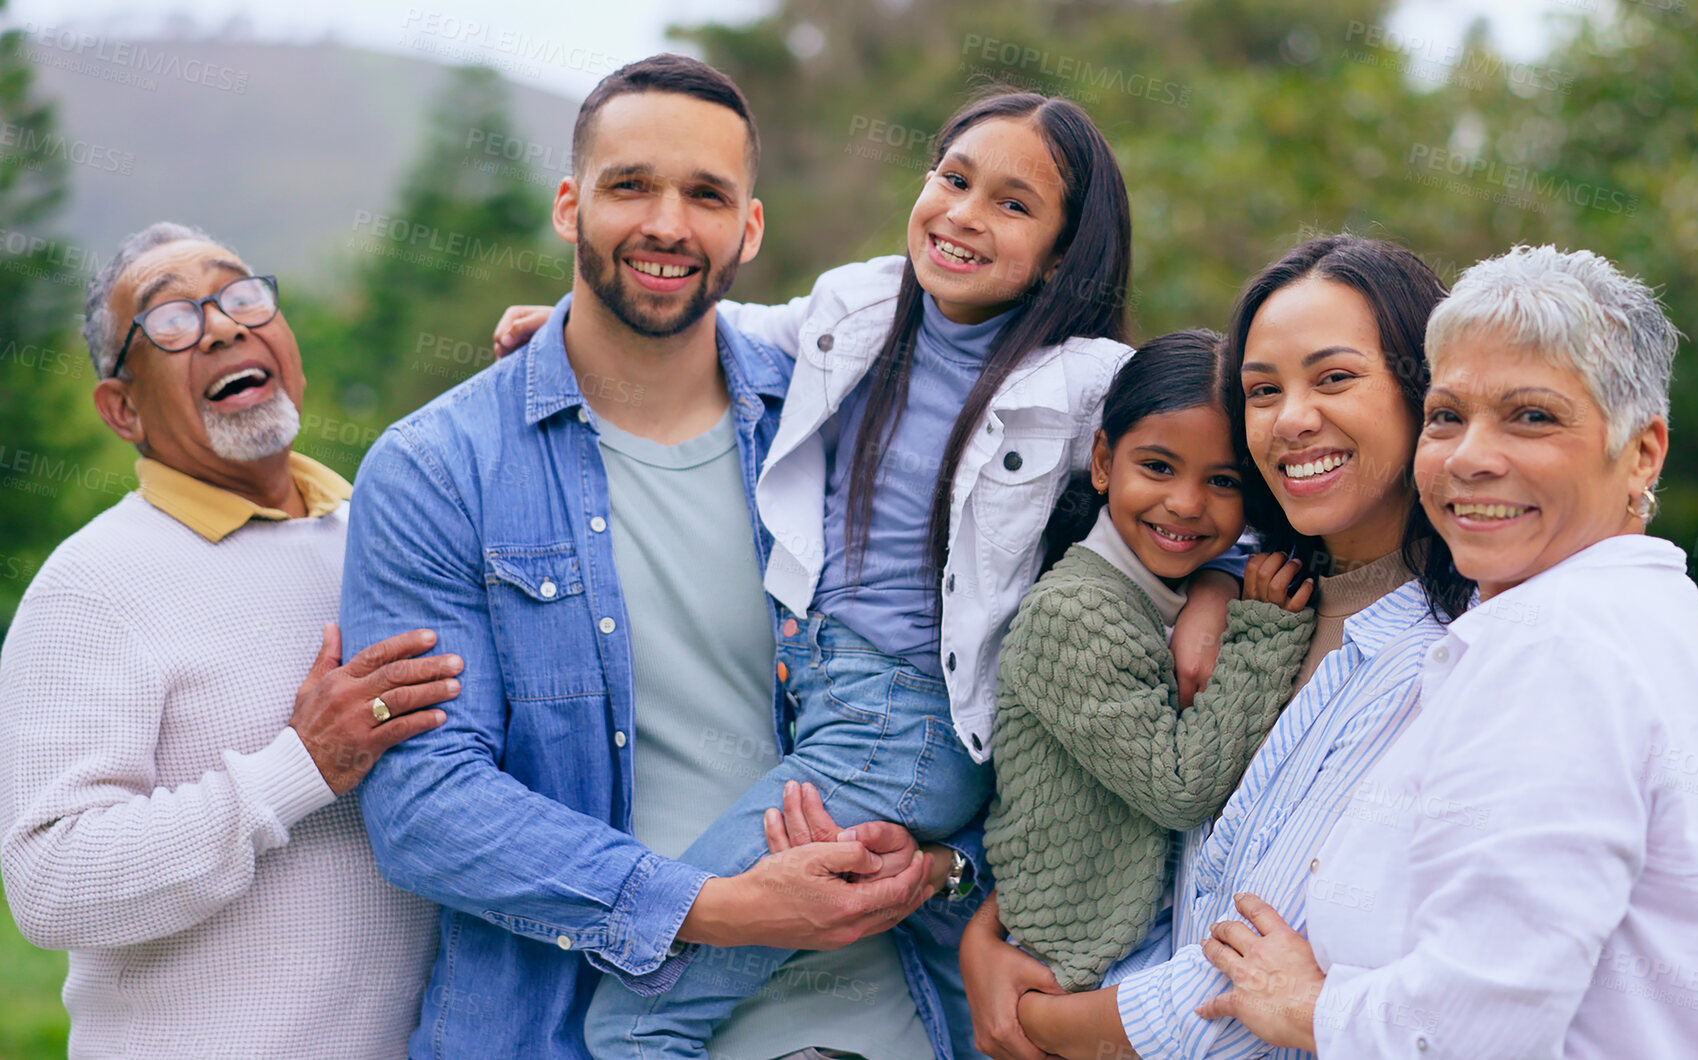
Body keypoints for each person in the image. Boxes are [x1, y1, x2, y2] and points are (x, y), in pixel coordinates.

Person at [498, 90, 1248, 1059]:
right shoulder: (856, 303)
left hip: (901, 725)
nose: (965, 213)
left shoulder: (1081, 380)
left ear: (1064, 253)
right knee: (951, 1012)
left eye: (1013, 205)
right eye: (954, 178)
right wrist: (571, 327)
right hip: (813, 683)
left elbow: (1211, 463)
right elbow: (731, 334)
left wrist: (1219, 586)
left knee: (642, 1005)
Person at [341, 55, 970, 1060]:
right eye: (630, 185)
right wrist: (714, 907)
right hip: (572, 1026)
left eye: (705, 194)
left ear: (749, 228)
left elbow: (978, 686)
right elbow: (424, 807)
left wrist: (944, 863)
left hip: (876, 1016)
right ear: (569, 204)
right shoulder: (438, 469)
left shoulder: (843, 423)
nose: (667, 223)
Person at [1189, 245, 1698, 1057]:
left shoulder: (1556, 646)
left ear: (1642, 453)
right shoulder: (1615, 611)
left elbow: (1473, 1027)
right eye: (1447, 416)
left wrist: (1309, 1008)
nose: (1470, 457)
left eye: (1532, 417)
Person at [950, 234, 1474, 1060]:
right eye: (1263, 390)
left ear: (1423, 389)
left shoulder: (1457, 647)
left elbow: (1268, 967)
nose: (1293, 417)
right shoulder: (1256, 588)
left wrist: (1029, 1013)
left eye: (1334, 377)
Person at [0, 222, 460, 1058]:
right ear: (122, 408)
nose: (220, 326)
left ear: (289, 346)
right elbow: (51, 884)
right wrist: (302, 765)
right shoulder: (92, 585)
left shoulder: (384, 537)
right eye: (170, 319)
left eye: (241, 295)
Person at [984, 328, 1312, 993]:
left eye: (1221, 480)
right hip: (1078, 959)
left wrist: (1218, 584)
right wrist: (1261, 635)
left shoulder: (1171, 587)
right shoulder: (1074, 611)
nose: (1186, 503)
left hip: (1149, 944)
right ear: (1103, 461)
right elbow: (1178, 788)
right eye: (1157, 467)